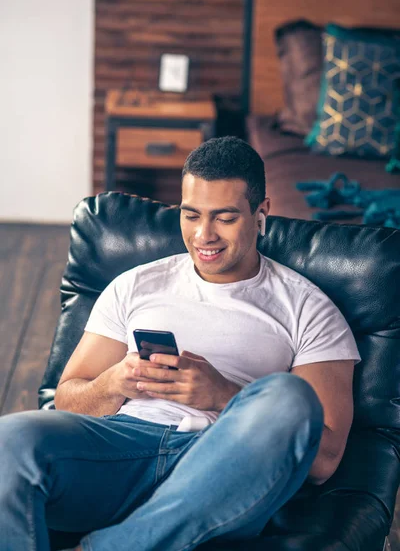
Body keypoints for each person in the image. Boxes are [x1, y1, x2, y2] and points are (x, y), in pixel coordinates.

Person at [0, 136, 360, 551]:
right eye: (191, 216)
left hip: (220, 465)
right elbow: (67, 400)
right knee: (11, 438)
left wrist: (223, 395)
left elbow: (325, 460)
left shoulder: (309, 309)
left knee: (289, 397)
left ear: (261, 212)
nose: (203, 235)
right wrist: (115, 383)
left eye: (224, 218)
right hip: (120, 450)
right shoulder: (135, 284)